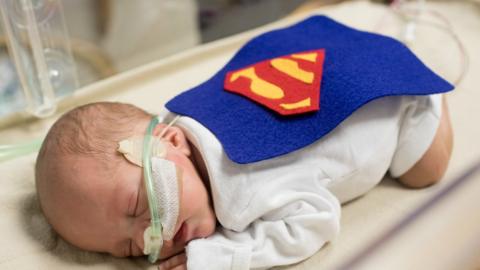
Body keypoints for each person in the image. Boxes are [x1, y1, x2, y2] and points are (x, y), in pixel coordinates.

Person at [34, 16, 454, 270]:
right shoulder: (184, 125)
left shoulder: (243, 194)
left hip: (391, 101)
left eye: (138, 206)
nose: (152, 236)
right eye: (129, 249)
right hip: (334, 57)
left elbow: (318, 221)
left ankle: (434, 96)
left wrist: (229, 255)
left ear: (171, 138)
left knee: (424, 171)